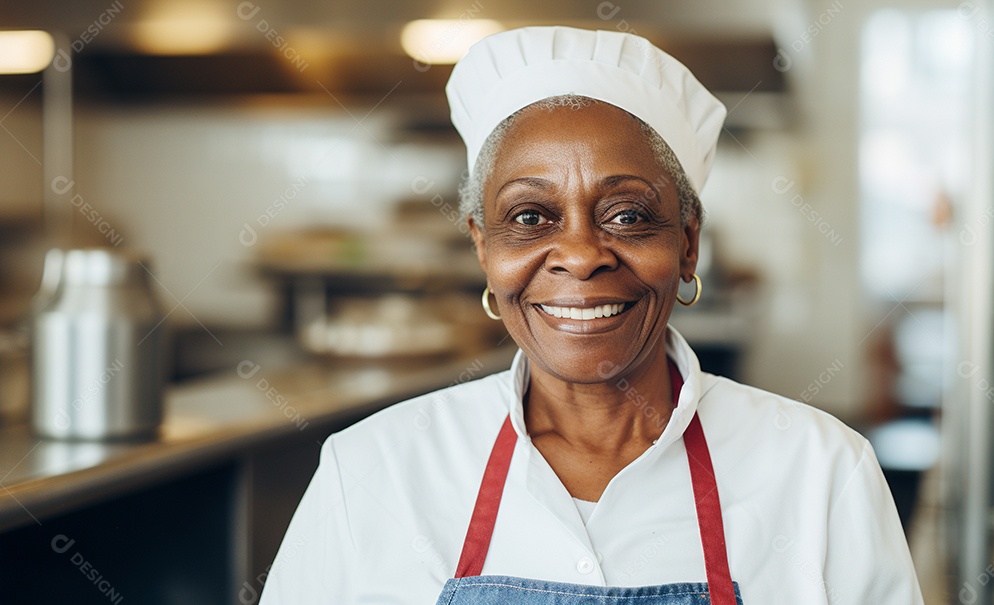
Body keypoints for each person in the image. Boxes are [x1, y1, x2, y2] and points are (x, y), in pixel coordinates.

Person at [260, 25, 923, 604]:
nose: (579, 255)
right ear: (483, 246)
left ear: (687, 242)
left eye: (628, 215)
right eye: (529, 217)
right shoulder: (371, 472)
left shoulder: (821, 473)